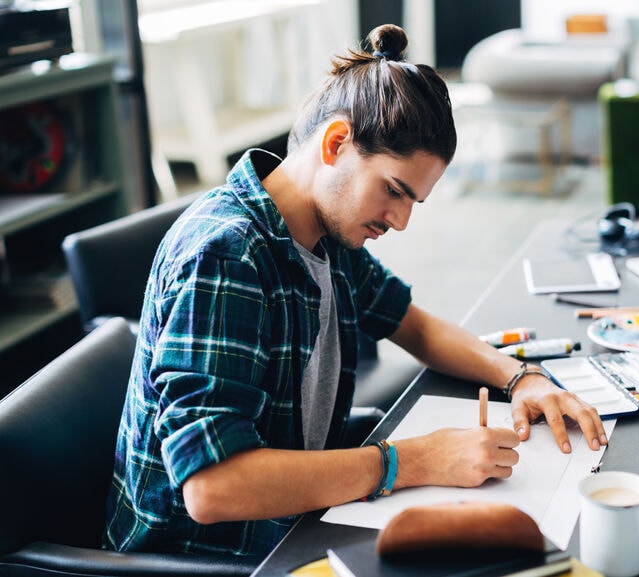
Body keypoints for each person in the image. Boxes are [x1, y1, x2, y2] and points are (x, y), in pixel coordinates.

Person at [104, 24, 606, 558]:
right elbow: (212, 487)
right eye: (394, 190)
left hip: (295, 520)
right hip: (216, 554)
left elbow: (413, 325)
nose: (401, 220)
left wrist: (522, 377)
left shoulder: (325, 233)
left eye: (414, 201)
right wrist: (411, 461)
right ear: (336, 142)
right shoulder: (227, 255)